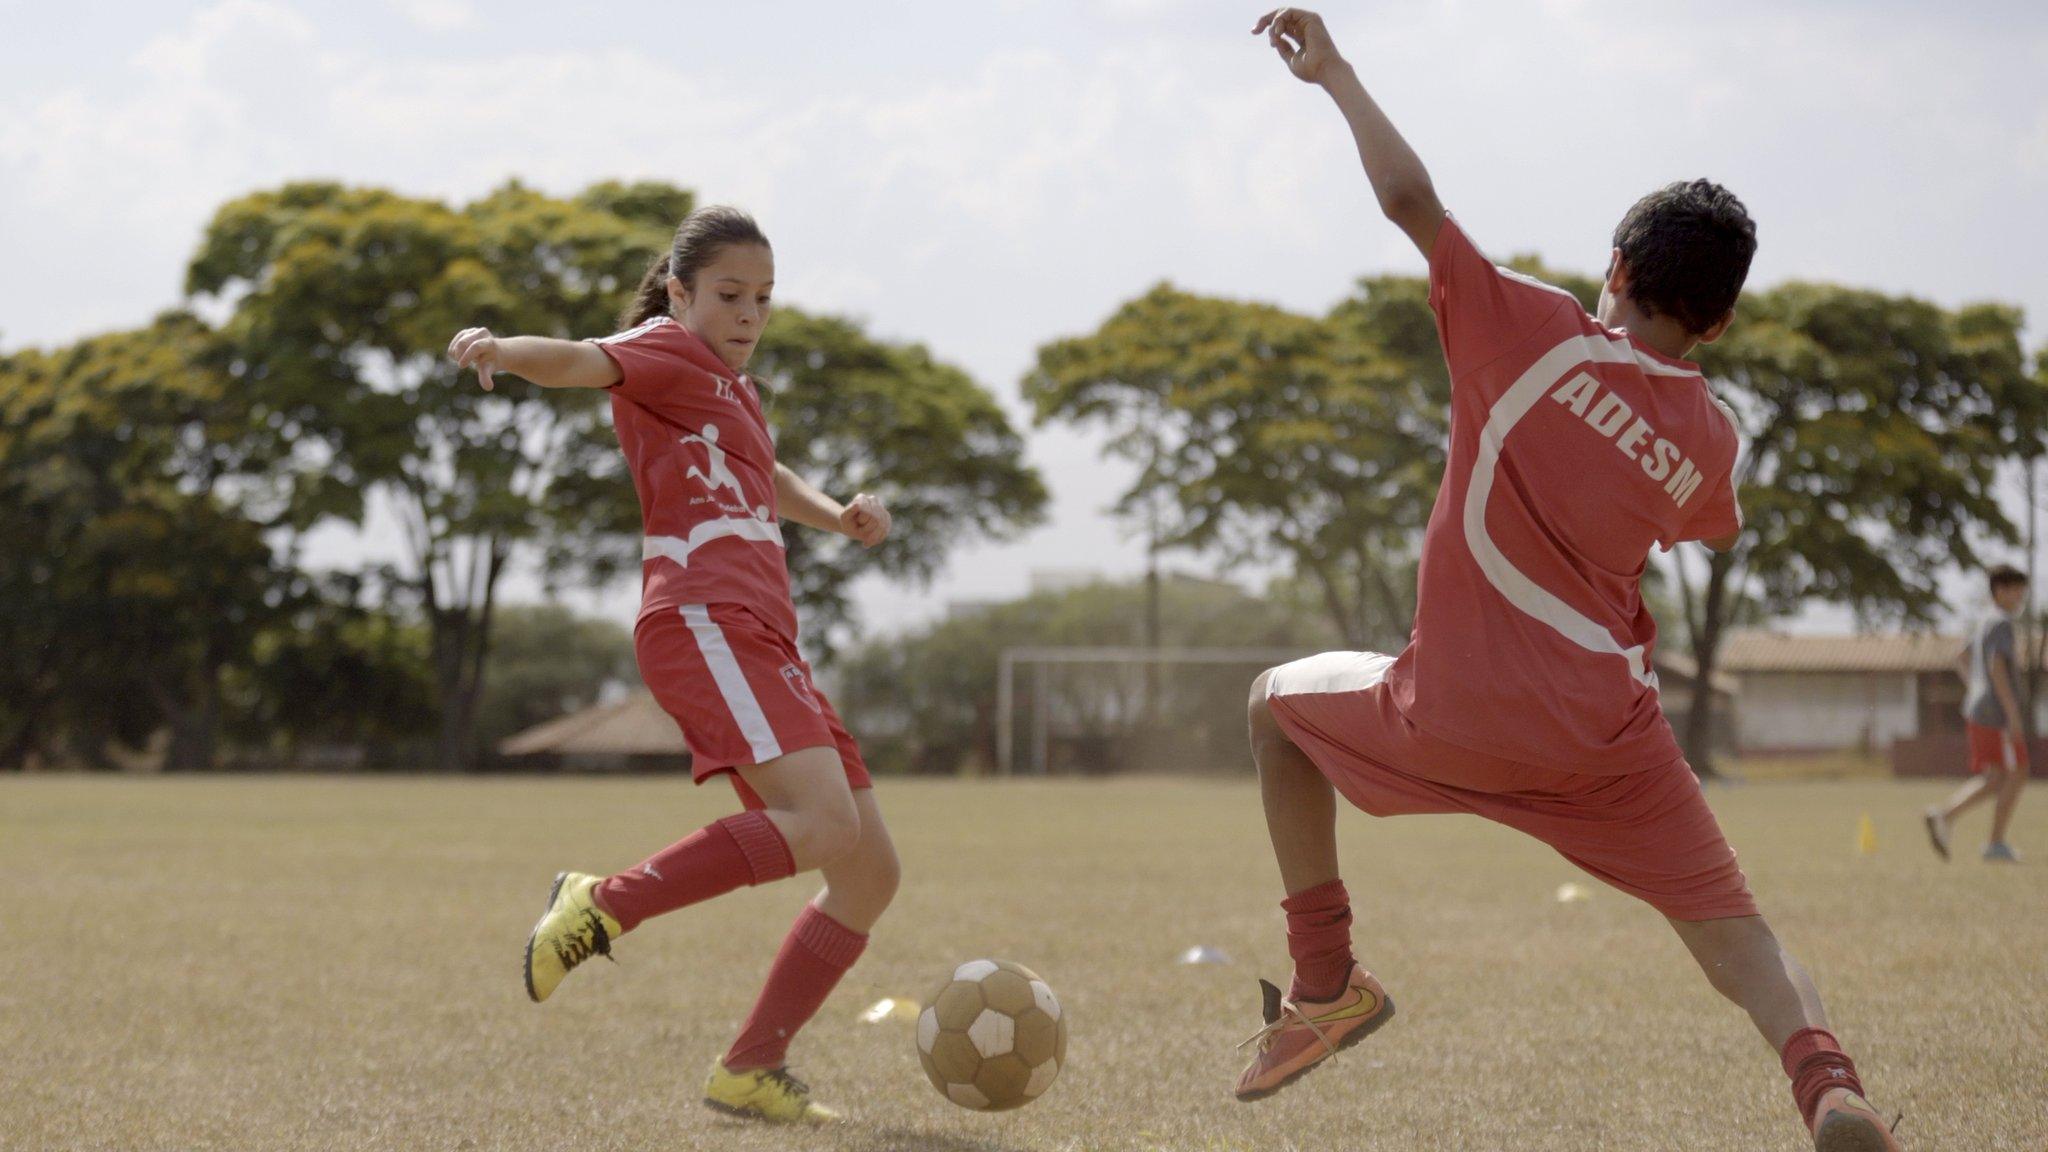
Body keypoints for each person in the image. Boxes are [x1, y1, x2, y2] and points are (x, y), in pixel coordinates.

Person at [1235, 10, 1902, 1149]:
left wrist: (1337, 74)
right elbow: (1715, 524)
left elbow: (1409, 205)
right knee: (1739, 940)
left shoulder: (1527, 328)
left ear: (1615, 266)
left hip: (1456, 709)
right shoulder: (1711, 436)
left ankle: (1325, 980)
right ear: (1723, 319)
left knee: (1270, 706)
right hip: (1605, 735)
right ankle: (1826, 1086)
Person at [446, 205, 899, 1125]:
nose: (748, 313)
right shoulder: (666, 348)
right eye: (729, 294)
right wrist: (502, 346)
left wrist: (835, 514)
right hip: (704, 619)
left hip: (764, 633)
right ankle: (600, 905)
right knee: (817, 822)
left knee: (869, 871)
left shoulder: (737, 390)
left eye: (764, 299)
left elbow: (764, 478)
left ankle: (750, 1069)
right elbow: (580, 359)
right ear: (682, 292)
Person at [1925, 565, 2030, 863]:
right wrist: (2012, 714)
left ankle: (1943, 816)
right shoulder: (2001, 623)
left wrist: (1975, 688)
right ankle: (1995, 843)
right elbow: (1997, 667)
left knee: (1997, 776)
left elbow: (1961, 656)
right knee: (2018, 771)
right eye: (2016, 590)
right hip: (1996, 714)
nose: (2021, 596)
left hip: (1979, 709)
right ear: (2000, 590)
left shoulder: (1984, 621)